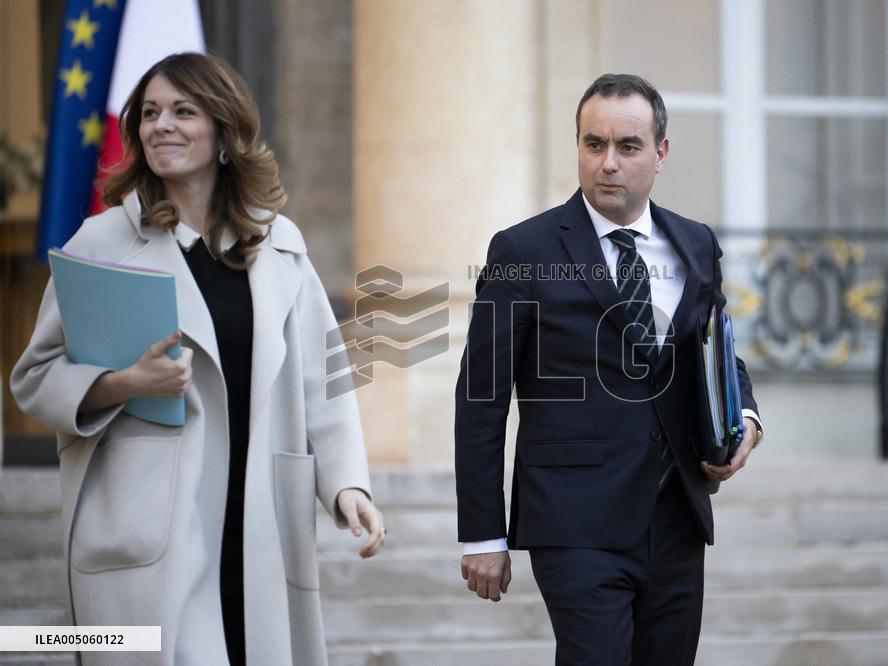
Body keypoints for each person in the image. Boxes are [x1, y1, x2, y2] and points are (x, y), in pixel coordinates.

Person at [10, 52, 384, 666]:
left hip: (260, 517)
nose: (163, 126)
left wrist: (346, 484)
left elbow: (324, 380)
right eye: (151, 113)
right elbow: (35, 377)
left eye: (184, 111)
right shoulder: (100, 243)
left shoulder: (279, 244)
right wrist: (123, 383)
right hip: (154, 524)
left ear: (224, 132)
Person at [454, 73, 763, 665]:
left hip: (677, 515)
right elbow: (481, 400)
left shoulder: (696, 245)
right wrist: (483, 533)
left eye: (627, 147)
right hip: (573, 519)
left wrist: (744, 417)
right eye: (594, 144)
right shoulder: (523, 251)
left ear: (660, 153)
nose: (609, 164)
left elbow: (718, 350)